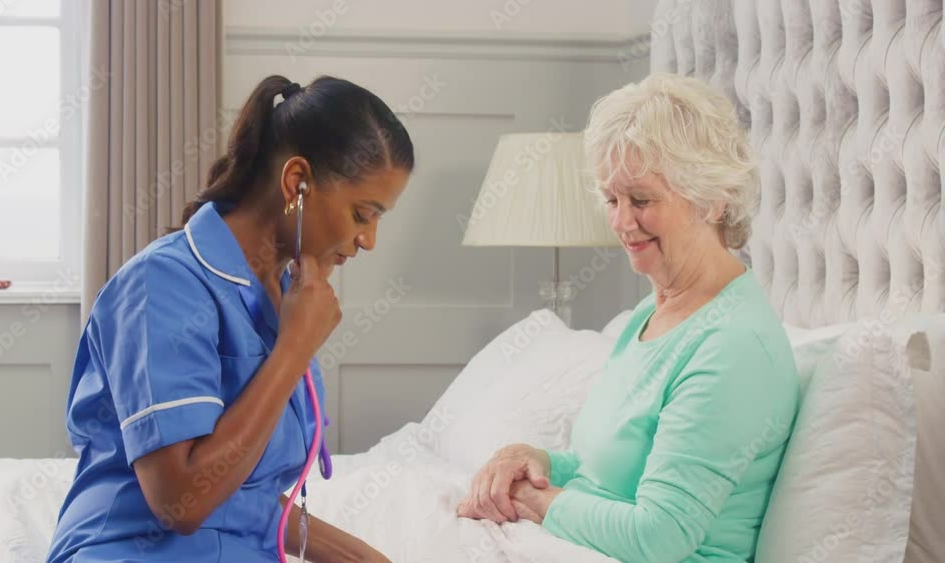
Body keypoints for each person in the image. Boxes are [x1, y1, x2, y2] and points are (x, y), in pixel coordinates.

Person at [47, 74, 413, 562]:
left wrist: (361, 556)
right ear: (297, 182)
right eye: (363, 214)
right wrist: (293, 350)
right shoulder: (160, 284)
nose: (369, 240)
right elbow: (183, 502)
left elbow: (242, 494)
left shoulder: (283, 298)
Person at [457, 73, 800, 563]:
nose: (620, 222)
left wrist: (531, 499)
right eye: (611, 199)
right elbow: (609, 476)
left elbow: (658, 537)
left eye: (641, 200)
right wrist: (536, 462)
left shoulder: (734, 347)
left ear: (713, 199)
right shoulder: (652, 312)